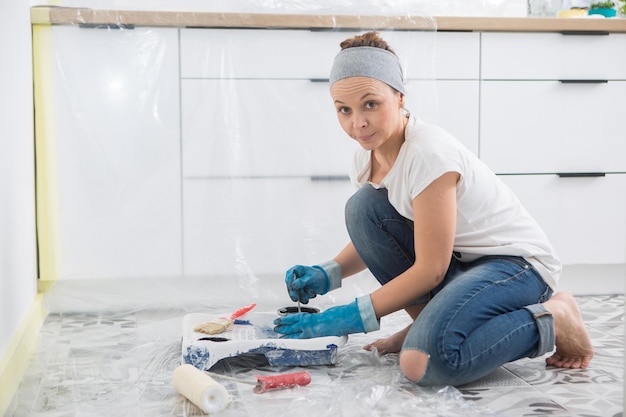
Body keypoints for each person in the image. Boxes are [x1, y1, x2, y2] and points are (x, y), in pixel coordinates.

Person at [273, 31, 593, 387]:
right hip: (463, 264)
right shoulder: (367, 155)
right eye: (343, 110)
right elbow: (380, 232)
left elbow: (430, 270)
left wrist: (351, 315)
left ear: (399, 97)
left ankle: (555, 316)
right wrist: (328, 272)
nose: (357, 123)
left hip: (515, 268)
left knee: (425, 365)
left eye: (370, 104)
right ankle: (426, 329)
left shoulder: (429, 154)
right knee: (363, 208)